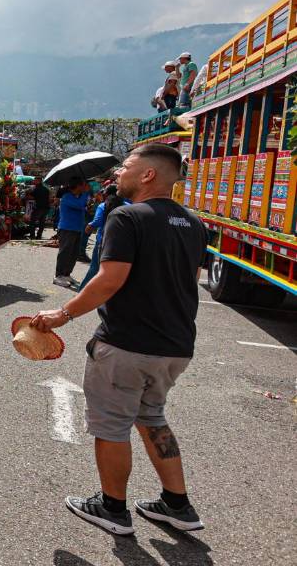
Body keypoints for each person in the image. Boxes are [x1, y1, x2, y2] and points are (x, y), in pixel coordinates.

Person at [30, 144, 207, 535]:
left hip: (127, 344)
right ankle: (177, 504)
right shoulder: (194, 224)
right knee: (152, 417)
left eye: (126, 167)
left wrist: (62, 314)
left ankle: (112, 508)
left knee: (111, 427)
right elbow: (188, 283)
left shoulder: (127, 217)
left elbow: (110, 278)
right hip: (175, 347)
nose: (118, 174)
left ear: (147, 175)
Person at [81, 185, 128, 287]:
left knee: (94, 270)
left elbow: (97, 221)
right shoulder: (127, 206)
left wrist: (90, 225)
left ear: (107, 194)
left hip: (103, 241)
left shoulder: (103, 206)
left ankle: (82, 293)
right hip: (120, 243)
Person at [53, 180, 90, 286]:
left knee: (73, 253)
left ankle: (66, 274)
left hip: (77, 228)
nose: (87, 187)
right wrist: (86, 193)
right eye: (84, 185)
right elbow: (80, 205)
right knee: (65, 252)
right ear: (78, 185)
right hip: (67, 229)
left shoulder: (79, 196)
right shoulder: (67, 197)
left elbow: (83, 206)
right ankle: (58, 275)